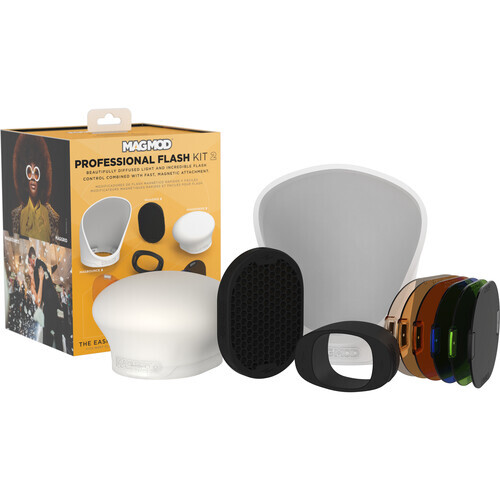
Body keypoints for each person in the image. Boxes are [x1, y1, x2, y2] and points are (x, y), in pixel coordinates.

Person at [11, 134, 59, 243]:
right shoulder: (17, 215)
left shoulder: (52, 217)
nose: (33, 177)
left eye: (36, 172)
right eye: (29, 172)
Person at [27, 246, 62, 350]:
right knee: (55, 332)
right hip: (53, 303)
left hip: (50, 304)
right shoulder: (40, 265)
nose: (30, 265)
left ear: (30, 259)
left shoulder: (38, 268)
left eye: (29, 262)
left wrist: (40, 279)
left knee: (49, 334)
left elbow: (40, 297)